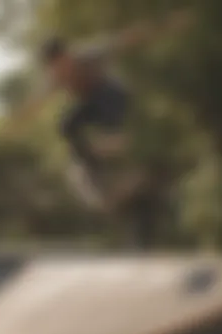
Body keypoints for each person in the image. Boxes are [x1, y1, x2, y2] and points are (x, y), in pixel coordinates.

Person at [10, 9, 193, 242]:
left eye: (61, 65)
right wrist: (18, 121)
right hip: (91, 108)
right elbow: (37, 99)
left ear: (66, 55)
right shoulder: (55, 77)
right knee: (65, 124)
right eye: (54, 69)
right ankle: (92, 169)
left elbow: (128, 39)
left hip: (114, 97)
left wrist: (167, 26)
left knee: (105, 95)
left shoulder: (87, 54)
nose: (60, 72)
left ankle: (116, 139)